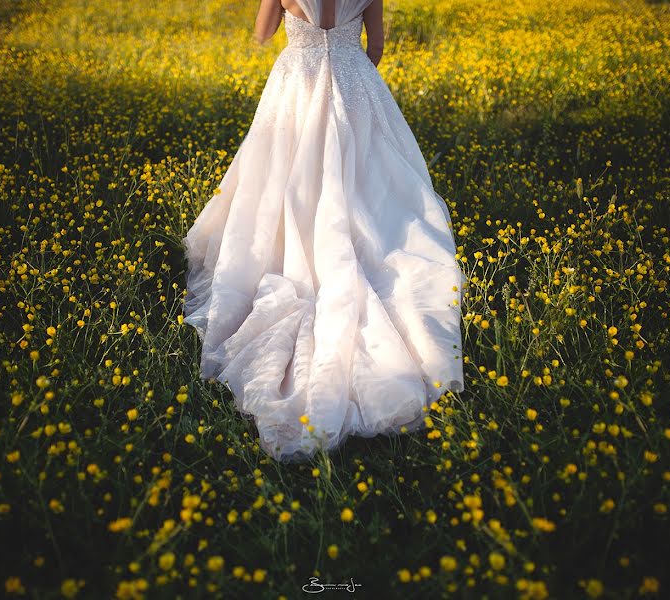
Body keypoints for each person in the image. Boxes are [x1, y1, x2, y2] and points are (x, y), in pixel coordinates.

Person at [182, 0, 465, 462]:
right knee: (367, 179)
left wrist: (305, 39)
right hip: (355, 85)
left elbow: (262, 33)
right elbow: (376, 46)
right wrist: (344, 59)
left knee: (286, 175)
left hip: (298, 81)